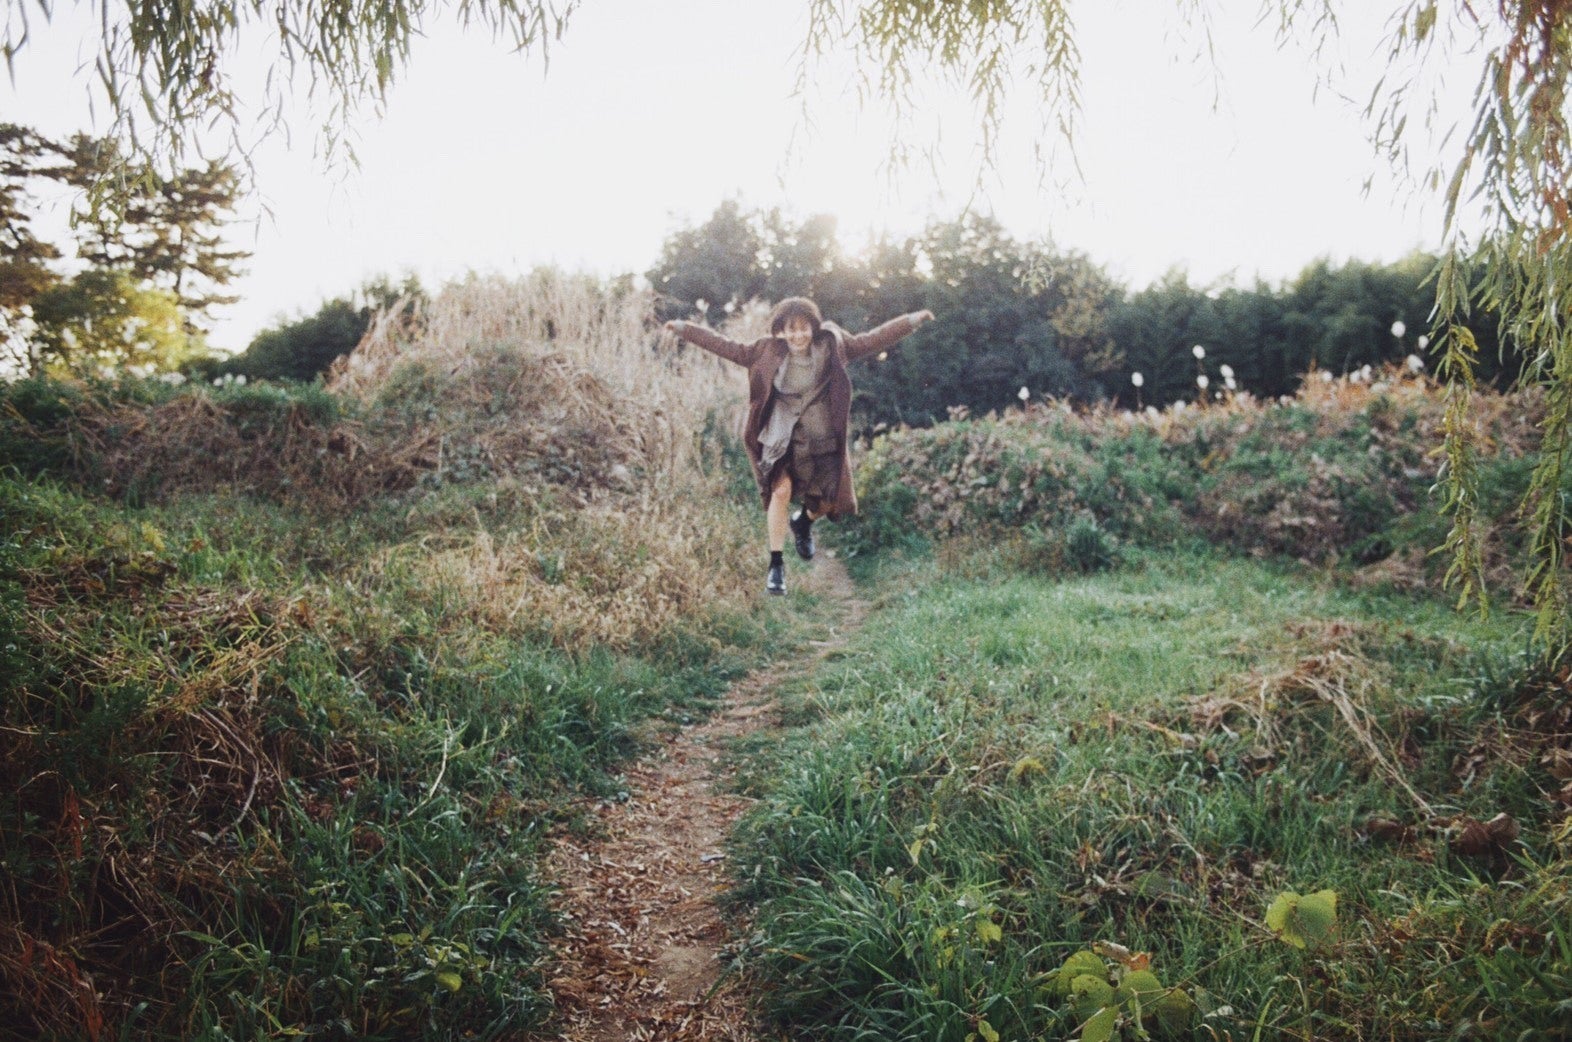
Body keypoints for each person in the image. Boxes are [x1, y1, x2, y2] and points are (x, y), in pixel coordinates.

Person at [665, 297, 936, 595]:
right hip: (779, 436)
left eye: (803, 328)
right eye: (790, 329)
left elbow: (872, 339)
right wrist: (684, 328)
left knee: (832, 502)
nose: (798, 335)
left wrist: (912, 321)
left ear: (813, 327)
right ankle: (776, 566)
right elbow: (724, 346)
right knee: (780, 491)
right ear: (781, 330)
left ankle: (803, 522)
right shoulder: (765, 350)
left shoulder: (832, 345)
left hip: (819, 438)